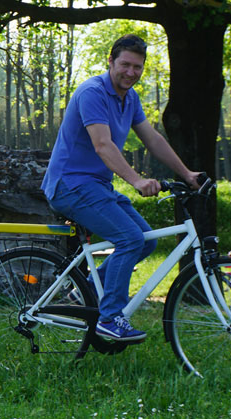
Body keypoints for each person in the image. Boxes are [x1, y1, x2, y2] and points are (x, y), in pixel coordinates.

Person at [41, 34, 201, 342]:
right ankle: (110, 318)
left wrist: (186, 173)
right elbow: (102, 146)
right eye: (125, 64)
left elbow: (152, 139)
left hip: (95, 187)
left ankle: (85, 290)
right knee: (129, 238)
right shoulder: (93, 92)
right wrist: (137, 181)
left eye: (137, 67)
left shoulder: (130, 98)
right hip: (69, 185)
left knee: (146, 241)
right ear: (111, 62)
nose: (130, 72)